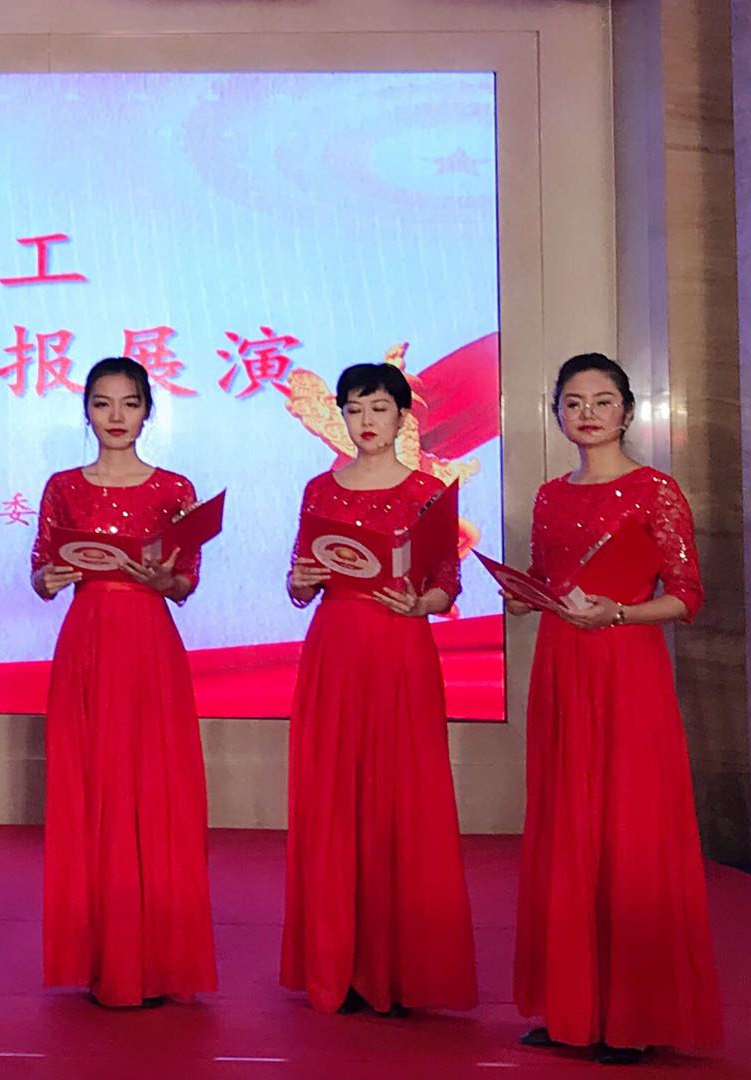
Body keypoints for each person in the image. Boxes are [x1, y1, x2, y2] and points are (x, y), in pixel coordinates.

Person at [509, 353, 721, 1064]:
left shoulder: (655, 490)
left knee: (627, 825)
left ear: (628, 411)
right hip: (561, 665)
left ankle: (631, 1014)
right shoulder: (549, 495)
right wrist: (526, 594)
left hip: (626, 665)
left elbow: (686, 596)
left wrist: (620, 613)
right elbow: (547, 577)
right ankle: (572, 1008)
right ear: (558, 415)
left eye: (603, 401)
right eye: (574, 402)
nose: (588, 414)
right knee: (566, 822)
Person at [281, 362, 477, 1017]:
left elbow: (447, 582)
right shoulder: (319, 490)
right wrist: (301, 582)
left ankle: (400, 968)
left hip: (400, 648)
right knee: (334, 796)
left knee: (401, 795)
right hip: (335, 649)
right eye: (355, 409)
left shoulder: (429, 490)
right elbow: (300, 582)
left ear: (402, 417)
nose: (366, 421)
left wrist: (424, 601)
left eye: (380, 408)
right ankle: (337, 961)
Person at [30, 356, 218, 1007]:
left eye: (129, 403)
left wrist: (163, 579)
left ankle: (155, 958)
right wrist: (49, 578)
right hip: (86, 642)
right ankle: (101, 956)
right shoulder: (63, 488)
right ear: (86, 411)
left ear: (147, 412)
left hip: (148, 645)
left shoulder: (174, 489)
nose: (116, 416)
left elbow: (185, 581)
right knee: (92, 789)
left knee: (153, 790)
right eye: (103, 403)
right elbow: (41, 573)